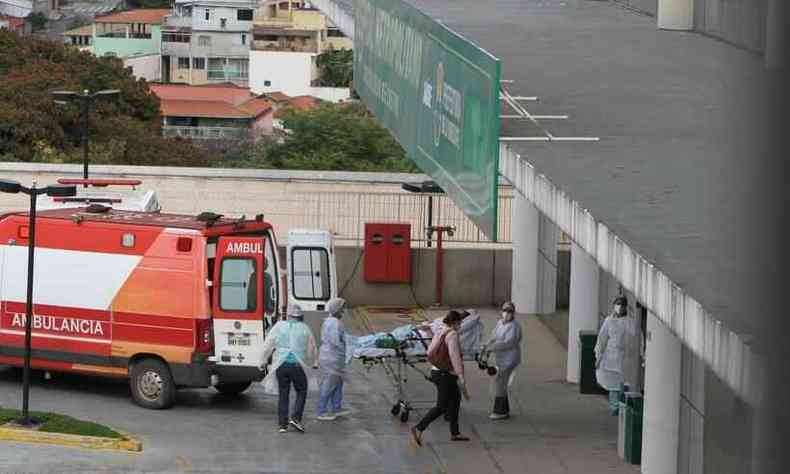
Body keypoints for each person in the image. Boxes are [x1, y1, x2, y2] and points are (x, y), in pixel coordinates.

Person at [410, 310, 470, 446]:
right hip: (446, 374)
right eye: (460, 322)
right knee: (442, 406)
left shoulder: (440, 330)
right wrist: (461, 375)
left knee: (455, 400)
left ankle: (455, 433)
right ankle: (418, 428)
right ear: (455, 322)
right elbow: (454, 356)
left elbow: (430, 351)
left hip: (436, 372)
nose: (461, 325)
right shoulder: (452, 335)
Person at [260, 304, 318, 433]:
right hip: (297, 366)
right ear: (300, 316)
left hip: (281, 365)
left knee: (283, 393)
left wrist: (263, 360)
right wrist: (314, 361)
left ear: (288, 315)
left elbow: (268, 344)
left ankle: (282, 425)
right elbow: (312, 347)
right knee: (301, 390)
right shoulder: (305, 328)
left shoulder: (279, 326)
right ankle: (296, 418)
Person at [482, 301, 523, 420]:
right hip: (501, 358)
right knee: (501, 383)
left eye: (509, 311)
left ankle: (500, 411)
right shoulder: (500, 323)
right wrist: (486, 344)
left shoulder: (514, 327)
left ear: (513, 313)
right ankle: (504, 409)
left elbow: (508, 343)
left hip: (510, 359)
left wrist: (491, 348)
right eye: (505, 310)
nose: (507, 313)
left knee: (500, 383)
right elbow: (494, 336)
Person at [595, 296, 629, 416]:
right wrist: (598, 355)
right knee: (613, 384)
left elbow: (636, 339)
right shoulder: (609, 320)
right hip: (609, 357)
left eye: (622, 305)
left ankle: (623, 406)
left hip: (625, 358)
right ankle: (615, 407)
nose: (619, 307)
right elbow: (602, 338)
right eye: (617, 304)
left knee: (624, 383)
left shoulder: (630, 322)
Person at [317, 297, 350, 421]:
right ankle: (322, 410)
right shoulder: (334, 323)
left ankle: (336, 407)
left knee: (338, 382)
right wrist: (350, 345)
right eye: (342, 309)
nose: (343, 312)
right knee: (330, 384)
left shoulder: (331, 321)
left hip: (333, 356)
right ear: (337, 310)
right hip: (332, 357)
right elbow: (335, 341)